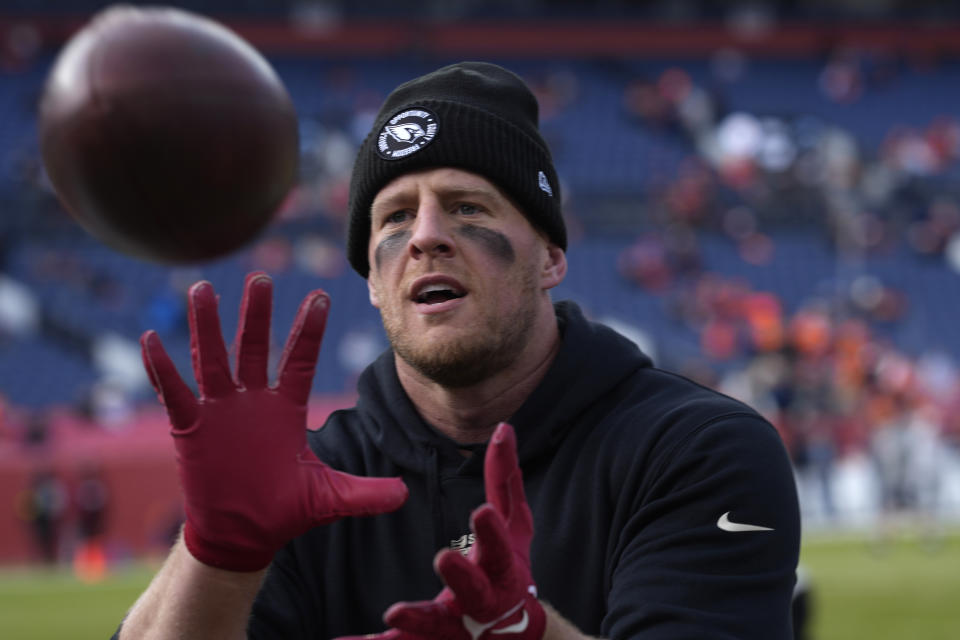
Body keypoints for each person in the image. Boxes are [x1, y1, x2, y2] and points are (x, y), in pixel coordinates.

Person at [114, 61, 800, 639]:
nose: (426, 236)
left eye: (468, 207)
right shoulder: (310, 483)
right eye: (395, 216)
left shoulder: (697, 448)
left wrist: (525, 631)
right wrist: (219, 552)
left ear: (552, 258)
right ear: (376, 285)